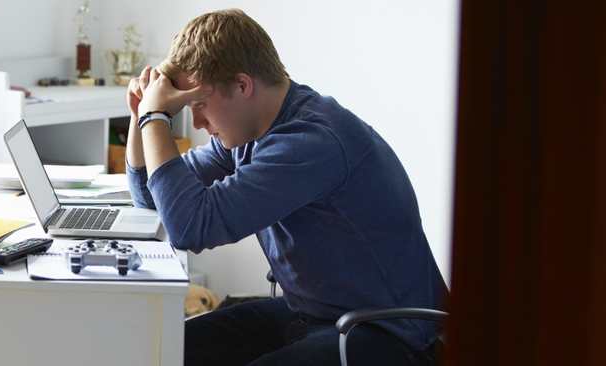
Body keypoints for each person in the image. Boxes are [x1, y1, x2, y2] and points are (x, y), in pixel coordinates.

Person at [124, 8, 448, 366]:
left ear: (243, 85)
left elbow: (190, 228)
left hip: (388, 336)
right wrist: (142, 115)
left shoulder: (311, 141)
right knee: (155, 350)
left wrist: (157, 120)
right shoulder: (247, 132)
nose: (197, 122)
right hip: (313, 315)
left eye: (199, 104)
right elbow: (151, 201)